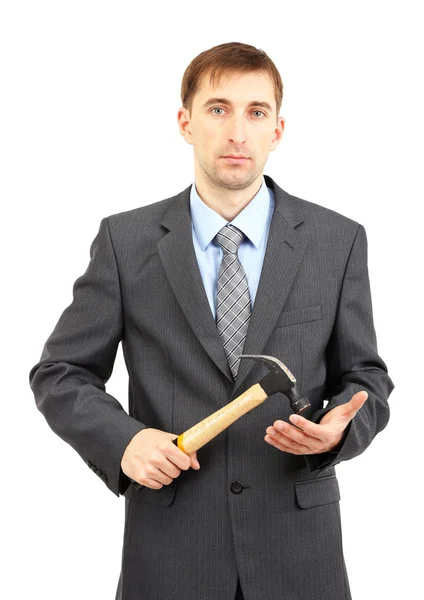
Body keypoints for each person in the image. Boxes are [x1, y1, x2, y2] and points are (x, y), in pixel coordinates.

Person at [29, 41, 395, 600]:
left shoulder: (337, 241)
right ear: (185, 122)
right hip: (172, 553)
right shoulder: (125, 243)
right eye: (218, 109)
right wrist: (124, 440)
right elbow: (61, 372)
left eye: (257, 112)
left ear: (277, 129)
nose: (237, 133)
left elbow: (366, 377)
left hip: (300, 555)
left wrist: (339, 433)